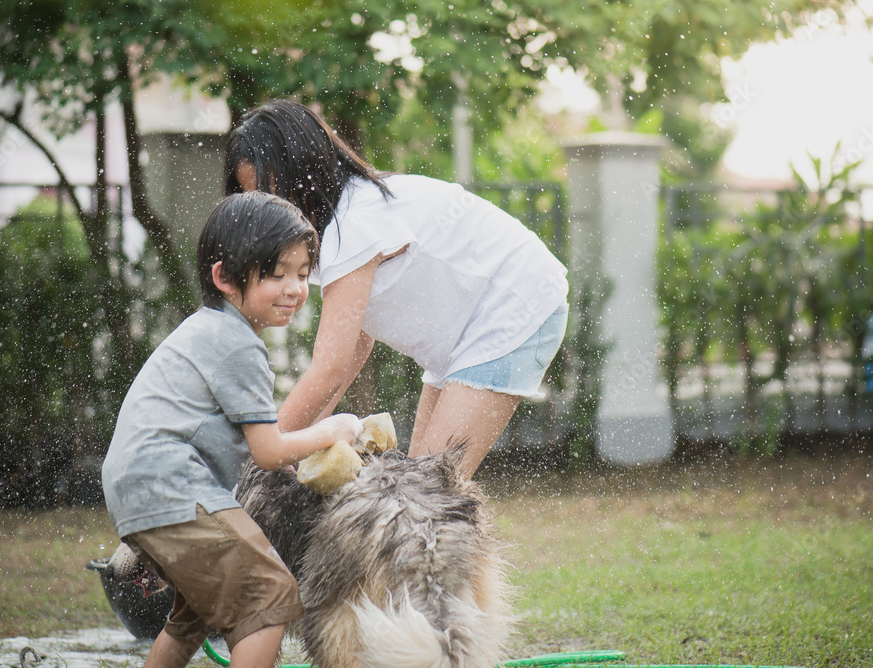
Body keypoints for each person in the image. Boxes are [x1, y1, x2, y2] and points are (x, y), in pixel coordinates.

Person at [224, 99, 568, 478]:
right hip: (475, 321)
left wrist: (262, 454)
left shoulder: (353, 225)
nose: (270, 211)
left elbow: (329, 369)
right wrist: (291, 445)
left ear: (304, 169)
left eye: (274, 192)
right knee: (419, 480)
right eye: (255, 198)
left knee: (429, 489)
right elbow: (355, 345)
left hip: (515, 302)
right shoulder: (341, 223)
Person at [101, 191, 361, 668]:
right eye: (276, 273)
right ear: (224, 278)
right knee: (266, 596)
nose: (294, 288)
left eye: (303, 275)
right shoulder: (237, 345)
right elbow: (269, 451)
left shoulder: (208, 330)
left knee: (194, 615)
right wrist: (333, 431)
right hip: (174, 485)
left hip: (139, 485)